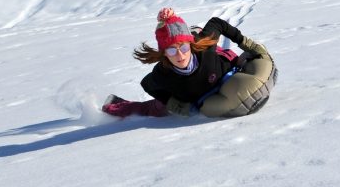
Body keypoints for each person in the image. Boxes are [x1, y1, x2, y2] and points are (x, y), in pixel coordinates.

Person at [102, 7, 277, 118]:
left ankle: (191, 33)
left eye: (183, 48)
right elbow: (147, 84)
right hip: (192, 95)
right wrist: (174, 104)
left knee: (221, 50)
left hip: (224, 72)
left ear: (190, 45)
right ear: (165, 53)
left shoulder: (203, 49)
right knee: (153, 109)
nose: (180, 55)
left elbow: (217, 23)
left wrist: (244, 42)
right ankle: (114, 103)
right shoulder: (163, 73)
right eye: (171, 50)